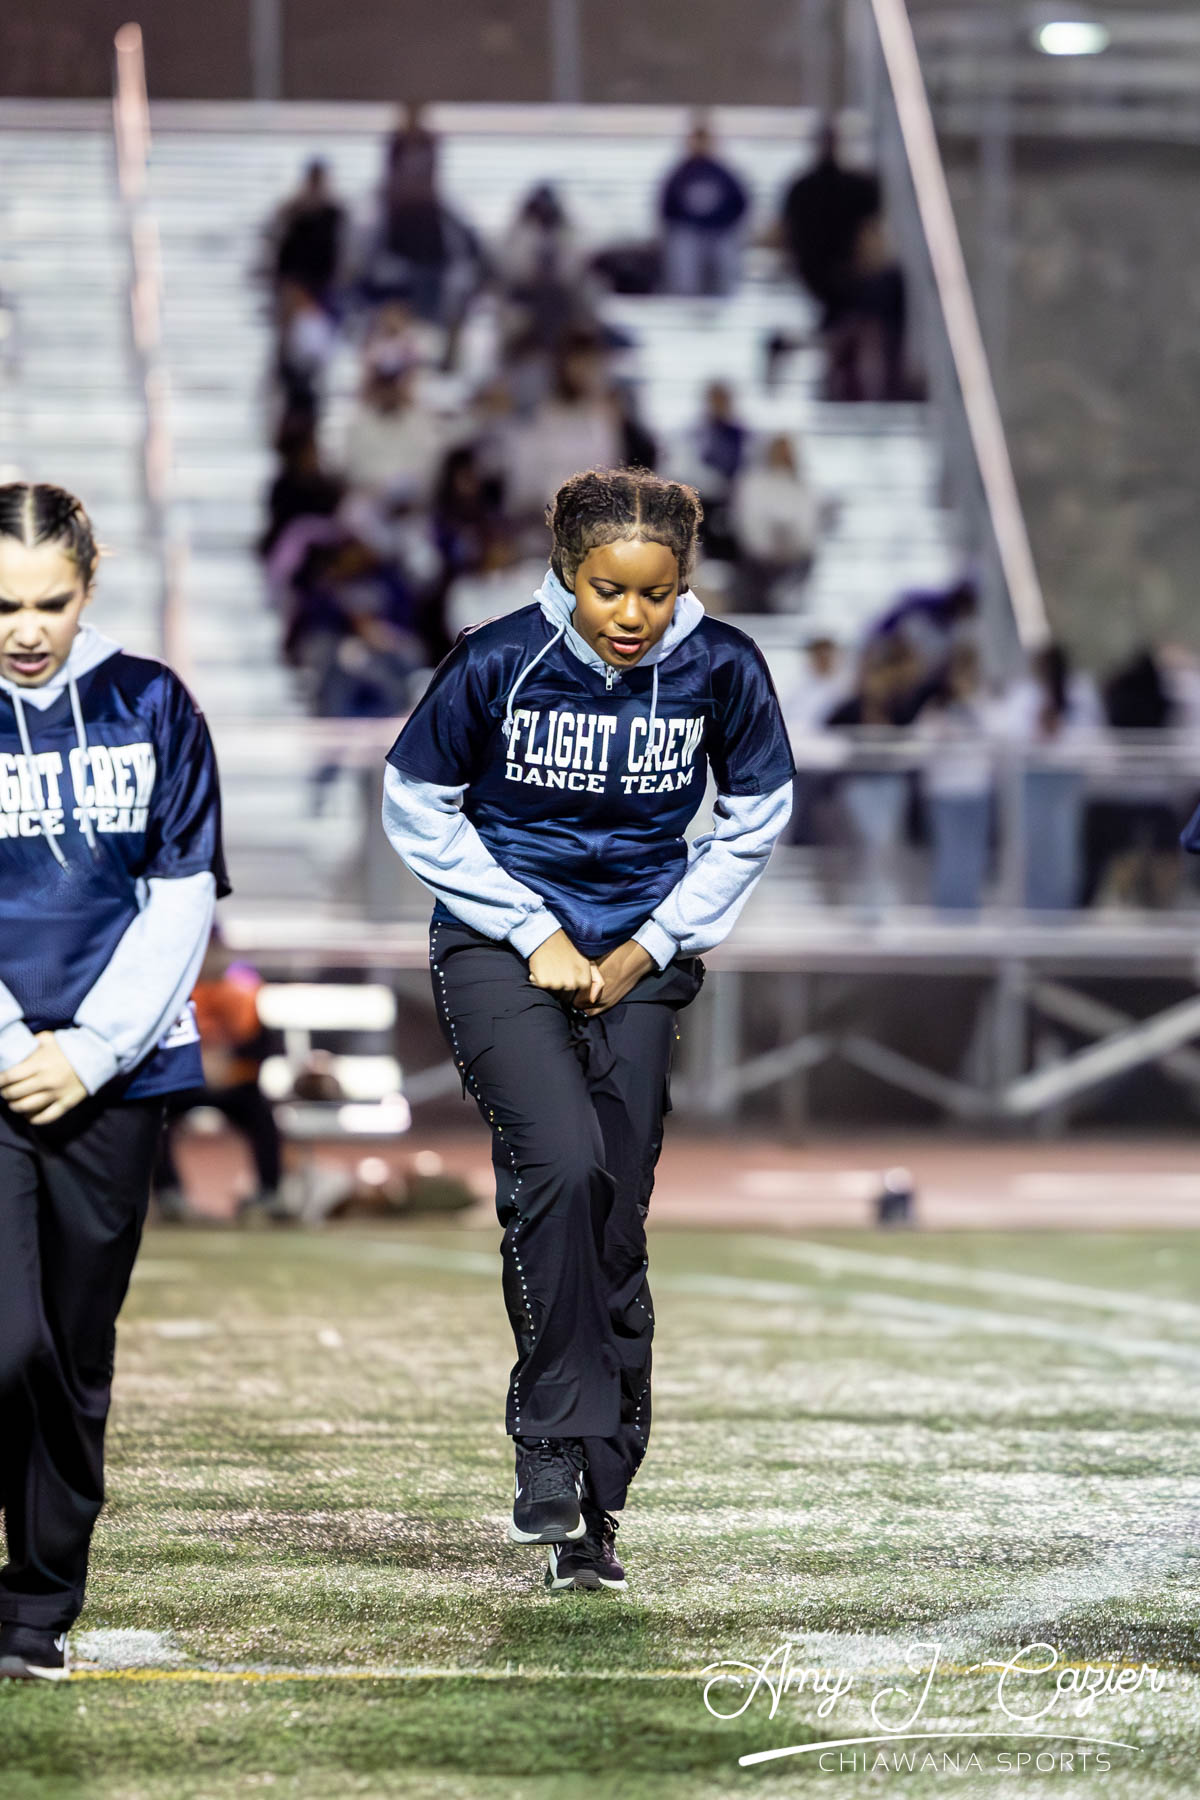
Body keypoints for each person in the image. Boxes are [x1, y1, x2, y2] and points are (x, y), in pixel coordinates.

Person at [381, 466, 794, 1592]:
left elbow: (756, 816)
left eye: (656, 593)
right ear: (567, 572)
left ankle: (594, 1514)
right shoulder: (497, 660)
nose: (632, 614)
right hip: (499, 946)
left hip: (640, 958)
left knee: (612, 1219)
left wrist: (649, 946)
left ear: (683, 584)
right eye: (609, 590)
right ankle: (551, 1444)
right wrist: (531, 931)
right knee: (559, 1165)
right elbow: (415, 803)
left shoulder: (724, 668)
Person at [0, 482, 229, 1680]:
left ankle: (35, 1609)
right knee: (5, 1343)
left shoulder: (153, 704)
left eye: (49, 603)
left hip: (120, 1077)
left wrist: (90, 1049)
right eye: (1, 606)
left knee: (75, 1353)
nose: (26, 630)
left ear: (88, 587)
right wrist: (10, 1048)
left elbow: (181, 897)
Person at [658, 118, 750, 299]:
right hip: (689, 233)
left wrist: (725, 225)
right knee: (683, 249)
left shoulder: (722, 172)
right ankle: (685, 296)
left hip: (719, 233)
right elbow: (667, 208)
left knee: (725, 254)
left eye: (704, 141)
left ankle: (725, 296)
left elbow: (740, 203)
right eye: (696, 141)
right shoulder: (680, 173)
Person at [730, 433, 819, 611]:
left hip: (795, 557)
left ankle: (787, 598)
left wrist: (791, 544)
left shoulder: (804, 486)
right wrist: (767, 548)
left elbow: (809, 527)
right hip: (759, 559)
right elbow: (747, 523)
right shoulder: (752, 483)